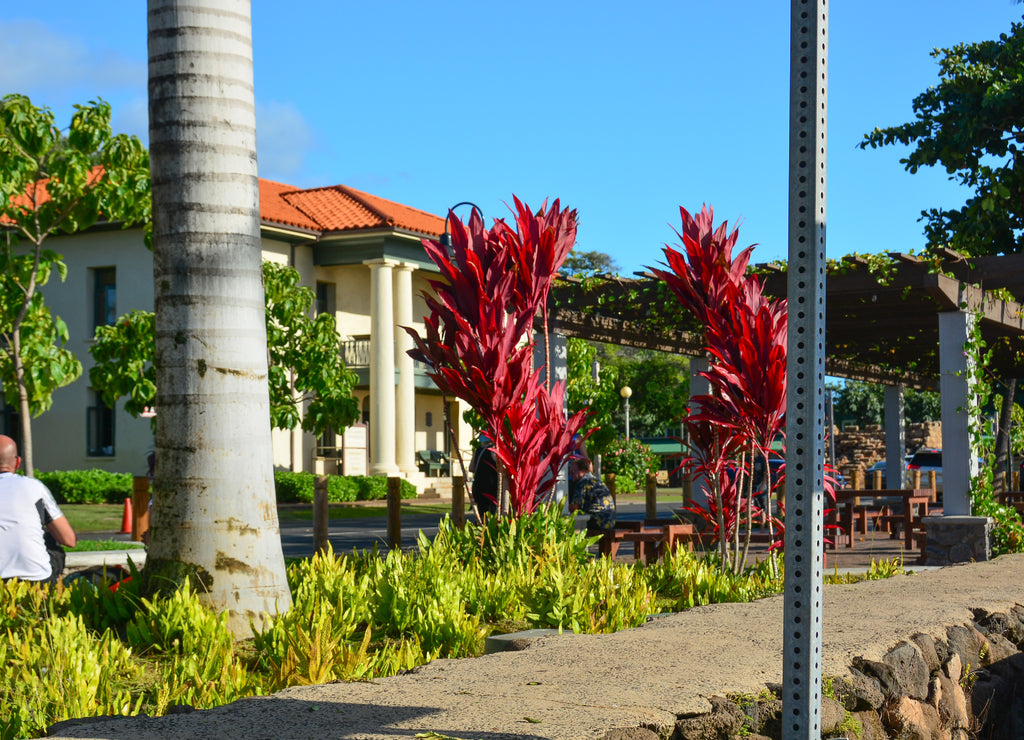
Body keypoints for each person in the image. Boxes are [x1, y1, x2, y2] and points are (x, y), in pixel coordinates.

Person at [0, 436, 77, 584]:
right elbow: (68, 539)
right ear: (18, 462)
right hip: (36, 579)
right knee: (50, 539)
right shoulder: (34, 487)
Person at [567, 454, 616, 536]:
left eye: (573, 472)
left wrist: (563, 508)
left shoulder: (582, 482)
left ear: (582, 471)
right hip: (610, 521)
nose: (571, 475)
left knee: (571, 526)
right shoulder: (595, 480)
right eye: (570, 472)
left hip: (597, 521)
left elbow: (576, 507)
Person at [469, 434, 498, 518]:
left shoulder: (478, 450)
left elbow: (471, 468)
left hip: (479, 488)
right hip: (493, 489)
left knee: (481, 515)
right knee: (494, 516)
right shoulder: (495, 451)